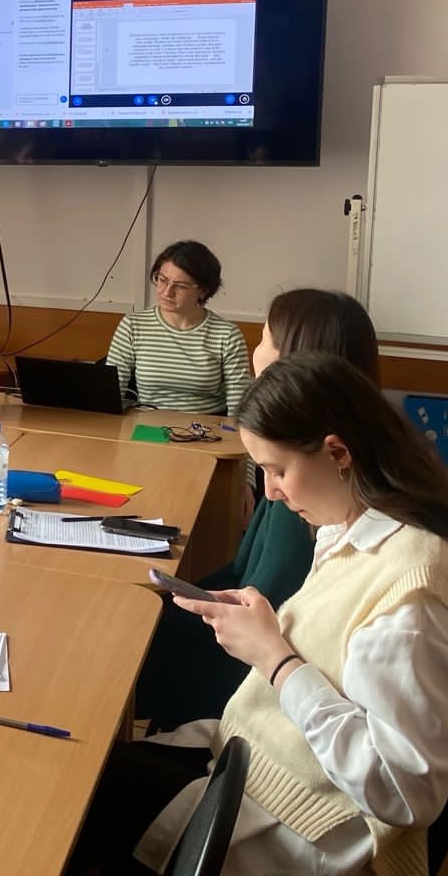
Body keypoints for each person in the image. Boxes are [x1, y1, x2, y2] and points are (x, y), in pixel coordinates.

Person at [71, 352, 448, 875]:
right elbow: (341, 649)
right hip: (266, 767)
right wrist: (272, 627)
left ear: (338, 452)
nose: (270, 491)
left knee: (71, 808)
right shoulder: (363, 529)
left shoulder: (415, 594)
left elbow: (405, 793)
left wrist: (276, 659)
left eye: (277, 470)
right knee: (83, 770)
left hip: (301, 826)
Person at [135, 289, 381, 730]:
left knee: (125, 648)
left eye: (265, 337)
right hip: (265, 655)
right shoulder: (317, 463)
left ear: (293, 359)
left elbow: (267, 606)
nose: (270, 488)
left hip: (256, 678)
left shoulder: (307, 488)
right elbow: (244, 574)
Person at [106, 240, 251, 416]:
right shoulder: (133, 325)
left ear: (203, 291)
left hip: (206, 427)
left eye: (181, 286)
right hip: (146, 424)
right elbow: (110, 394)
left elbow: (240, 408)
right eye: (162, 280)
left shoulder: (227, 335)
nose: (167, 292)